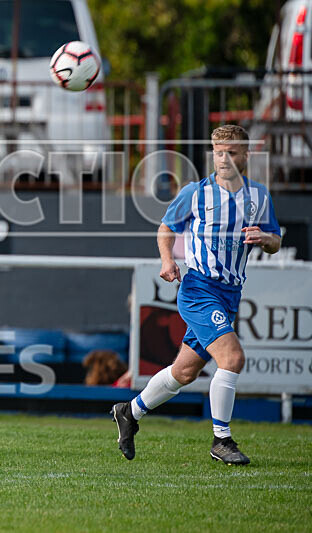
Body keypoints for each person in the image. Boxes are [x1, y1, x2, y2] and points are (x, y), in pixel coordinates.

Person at [111, 125, 281, 465]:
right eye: (218, 152)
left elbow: (276, 241)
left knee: (184, 372)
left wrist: (264, 238)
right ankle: (222, 440)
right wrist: (167, 260)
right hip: (200, 289)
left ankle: (129, 411)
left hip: (230, 293)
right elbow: (166, 228)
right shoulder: (196, 192)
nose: (224, 159)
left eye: (231, 152)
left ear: (246, 156)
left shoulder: (259, 196)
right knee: (231, 359)